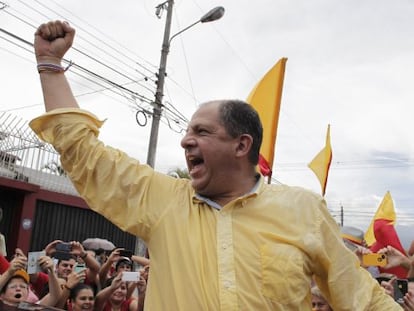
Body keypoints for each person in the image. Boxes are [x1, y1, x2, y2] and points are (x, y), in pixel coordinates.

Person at [30, 20, 401, 310]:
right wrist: (50, 66)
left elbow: (362, 299)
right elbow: (83, 153)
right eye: (187, 131)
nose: (186, 140)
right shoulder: (162, 201)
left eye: (202, 131)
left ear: (242, 145)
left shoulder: (303, 210)